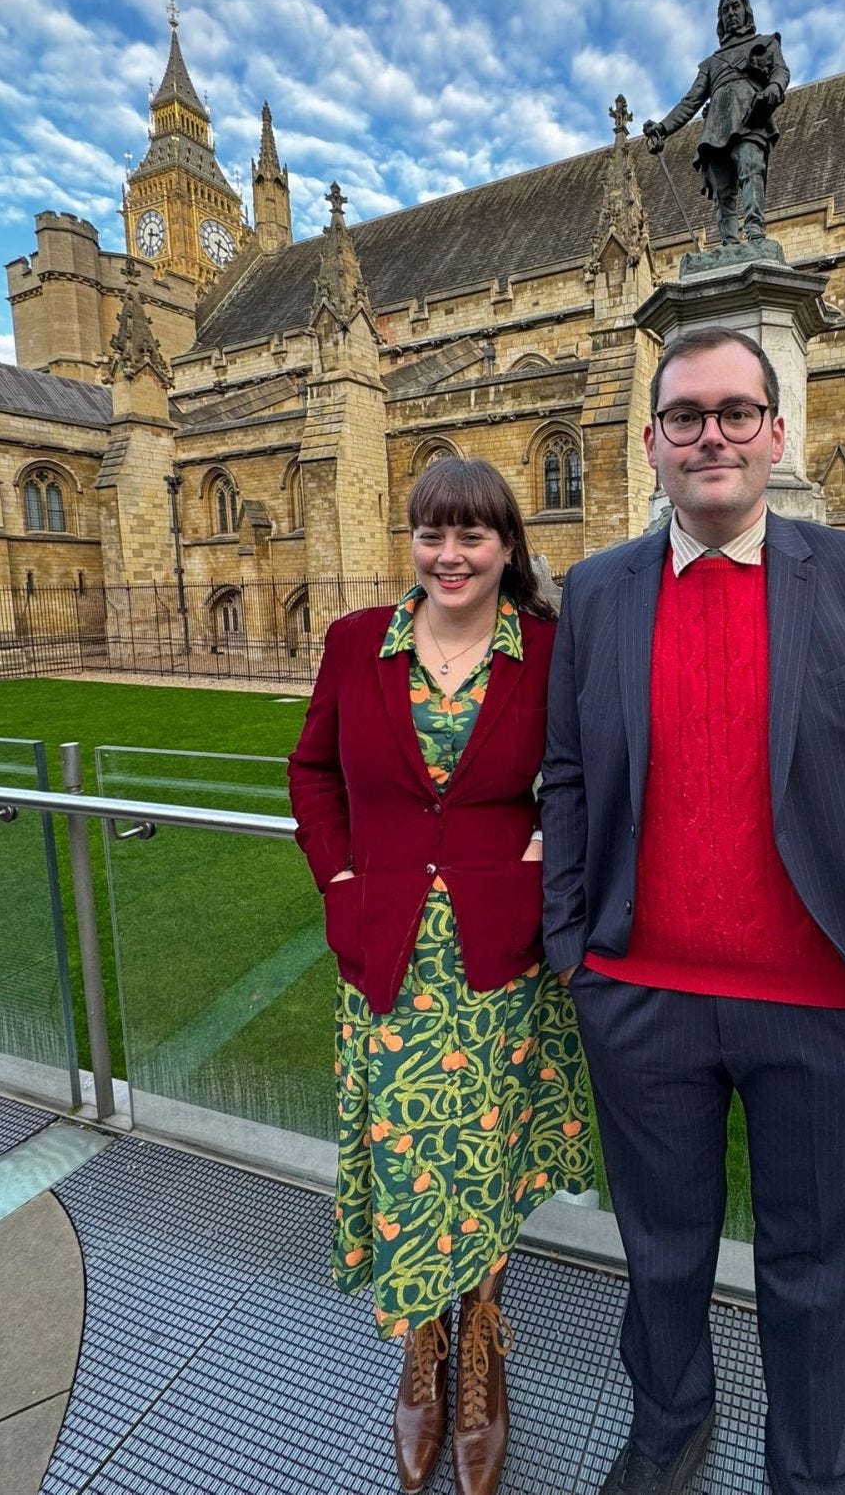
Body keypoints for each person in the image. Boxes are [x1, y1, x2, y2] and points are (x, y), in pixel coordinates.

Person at [540, 328, 845, 1495]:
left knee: (816, 1271)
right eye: (684, 415)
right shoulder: (598, 588)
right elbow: (567, 775)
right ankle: (668, 1423)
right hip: (644, 995)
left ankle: (812, 1470)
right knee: (659, 1253)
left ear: (774, 433)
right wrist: (576, 949)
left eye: (734, 411)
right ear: (651, 442)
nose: (709, 433)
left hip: (828, 1005)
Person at [288, 458, 593, 1495]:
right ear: (411, 540)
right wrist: (335, 873)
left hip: (497, 956)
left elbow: (597, 771)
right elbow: (313, 768)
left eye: (470, 535)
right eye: (430, 533)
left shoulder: (546, 649)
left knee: (486, 1150)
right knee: (409, 1145)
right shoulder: (353, 642)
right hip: (385, 955)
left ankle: (481, 1348)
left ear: (507, 546)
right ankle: (424, 1353)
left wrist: (547, 850)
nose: (448, 554)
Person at [643, 0, 789, 246]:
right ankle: (729, 243)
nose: (731, 14)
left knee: (751, 170)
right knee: (723, 192)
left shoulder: (766, 43)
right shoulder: (712, 63)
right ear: (720, 20)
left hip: (750, 120)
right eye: (725, 11)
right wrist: (663, 127)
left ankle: (755, 233)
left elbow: (780, 72)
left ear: (746, 11)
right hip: (717, 129)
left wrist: (774, 88)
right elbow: (690, 101)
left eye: (735, 7)